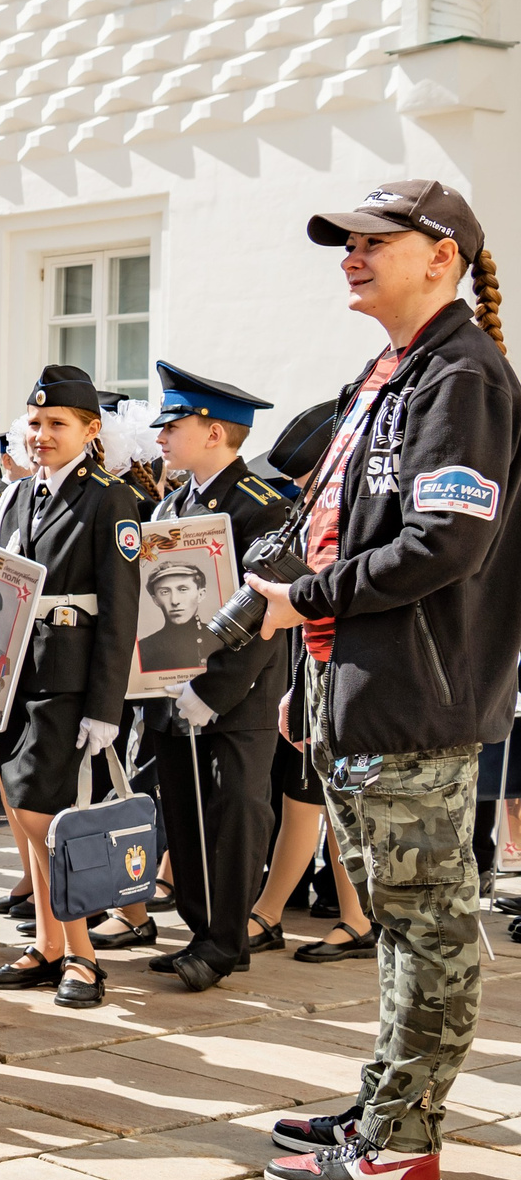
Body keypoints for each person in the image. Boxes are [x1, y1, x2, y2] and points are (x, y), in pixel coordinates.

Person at [254, 179, 519, 1180]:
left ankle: (403, 1145)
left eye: (375, 241)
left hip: (416, 692)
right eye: (346, 243)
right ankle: (382, 1106)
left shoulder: (463, 376)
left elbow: (443, 544)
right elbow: (334, 528)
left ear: (441, 257)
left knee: (428, 924)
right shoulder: (394, 372)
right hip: (360, 681)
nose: (351, 256)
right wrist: (312, 667)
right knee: (400, 917)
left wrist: (305, 604)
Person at [94, 365, 288, 990]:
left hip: (235, 698)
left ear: (212, 432)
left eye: (172, 427)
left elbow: (266, 617)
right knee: (184, 814)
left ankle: (224, 942)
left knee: (233, 818)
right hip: (172, 690)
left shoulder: (263, 507)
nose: (161, 438)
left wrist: (213, 690)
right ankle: (203, 933)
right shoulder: (173, 504)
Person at [0, 365, 142, 1009]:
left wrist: (105, 706)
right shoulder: (19, 494)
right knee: (23, 815)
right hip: (13, 674)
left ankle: (82, 956)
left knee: (48, 819)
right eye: (35, 422)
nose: (41, 434)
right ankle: (49, 944)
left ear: (90, 430)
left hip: (67, 679)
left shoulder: (109, 498)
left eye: (57, 424)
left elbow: (121, 609)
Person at [243, 399, 373, 961]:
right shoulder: (317, 517)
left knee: (338, 800)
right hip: (315, 672)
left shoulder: (355, 517)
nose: (300, 491)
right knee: (305, 797)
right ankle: (274, 912)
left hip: (351, 675)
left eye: (305, 480)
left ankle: (355, 918)